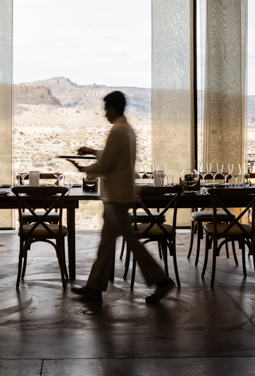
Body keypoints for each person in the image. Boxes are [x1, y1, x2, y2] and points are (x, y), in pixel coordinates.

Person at [68, 91, 175, 303]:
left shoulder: (117, 131)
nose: (104, 113)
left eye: (106, 108)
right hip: (120, 195)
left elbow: (106, 164)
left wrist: (83, 169)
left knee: (130, 242)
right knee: (108, 243)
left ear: (113, 108)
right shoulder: (126, 130)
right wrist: (92, 151)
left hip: (116, 197)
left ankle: (162, 281)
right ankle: (94, 287)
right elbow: (112, 156)